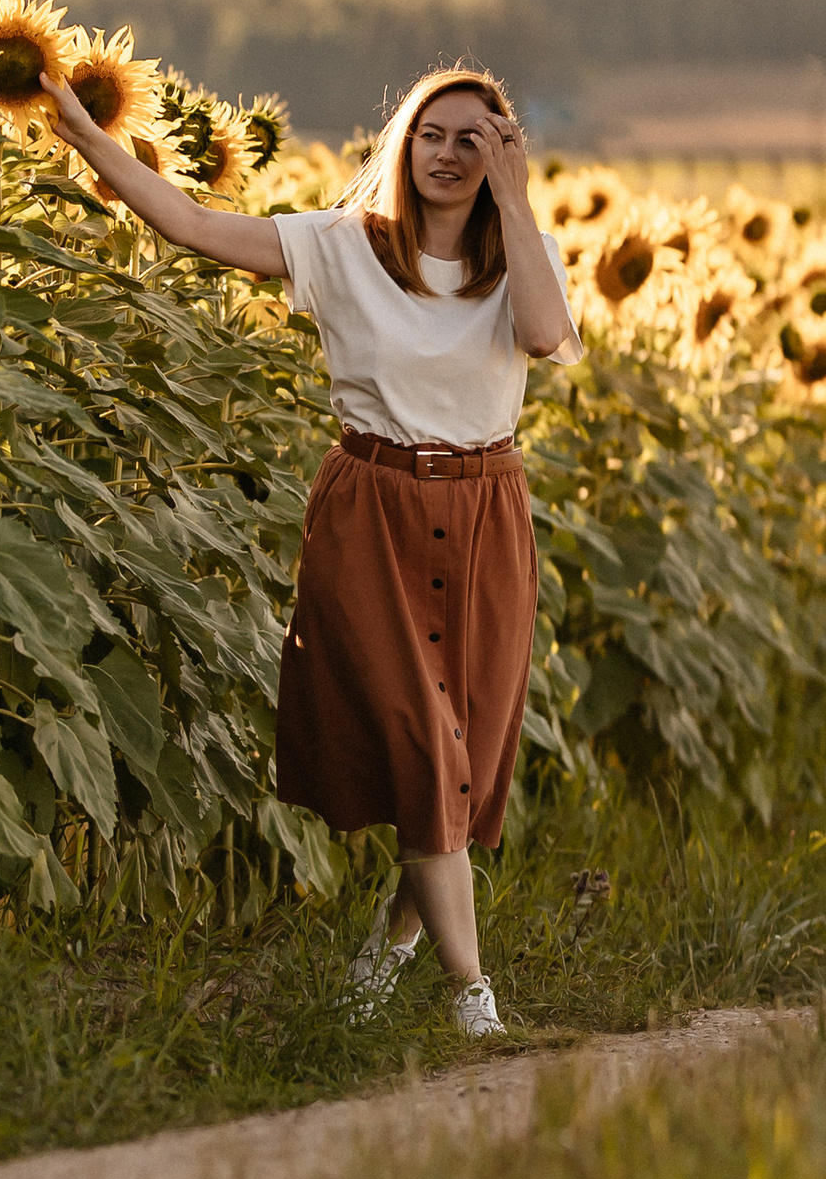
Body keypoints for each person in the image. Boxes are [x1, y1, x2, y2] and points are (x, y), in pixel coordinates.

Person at [38, 61, 581, 1038]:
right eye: (432, 133)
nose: (449, 154)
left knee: (461, 759)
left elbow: (544, 336)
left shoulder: (521, 261)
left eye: (475, 140)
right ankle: (473, 999)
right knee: (421, 739)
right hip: (371, 509)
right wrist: (87, 134)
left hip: (488, 508)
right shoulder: (344, 248)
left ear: (504, 156)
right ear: (403, 141)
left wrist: (518, 197)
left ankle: (390, 951)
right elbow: (194, 225)